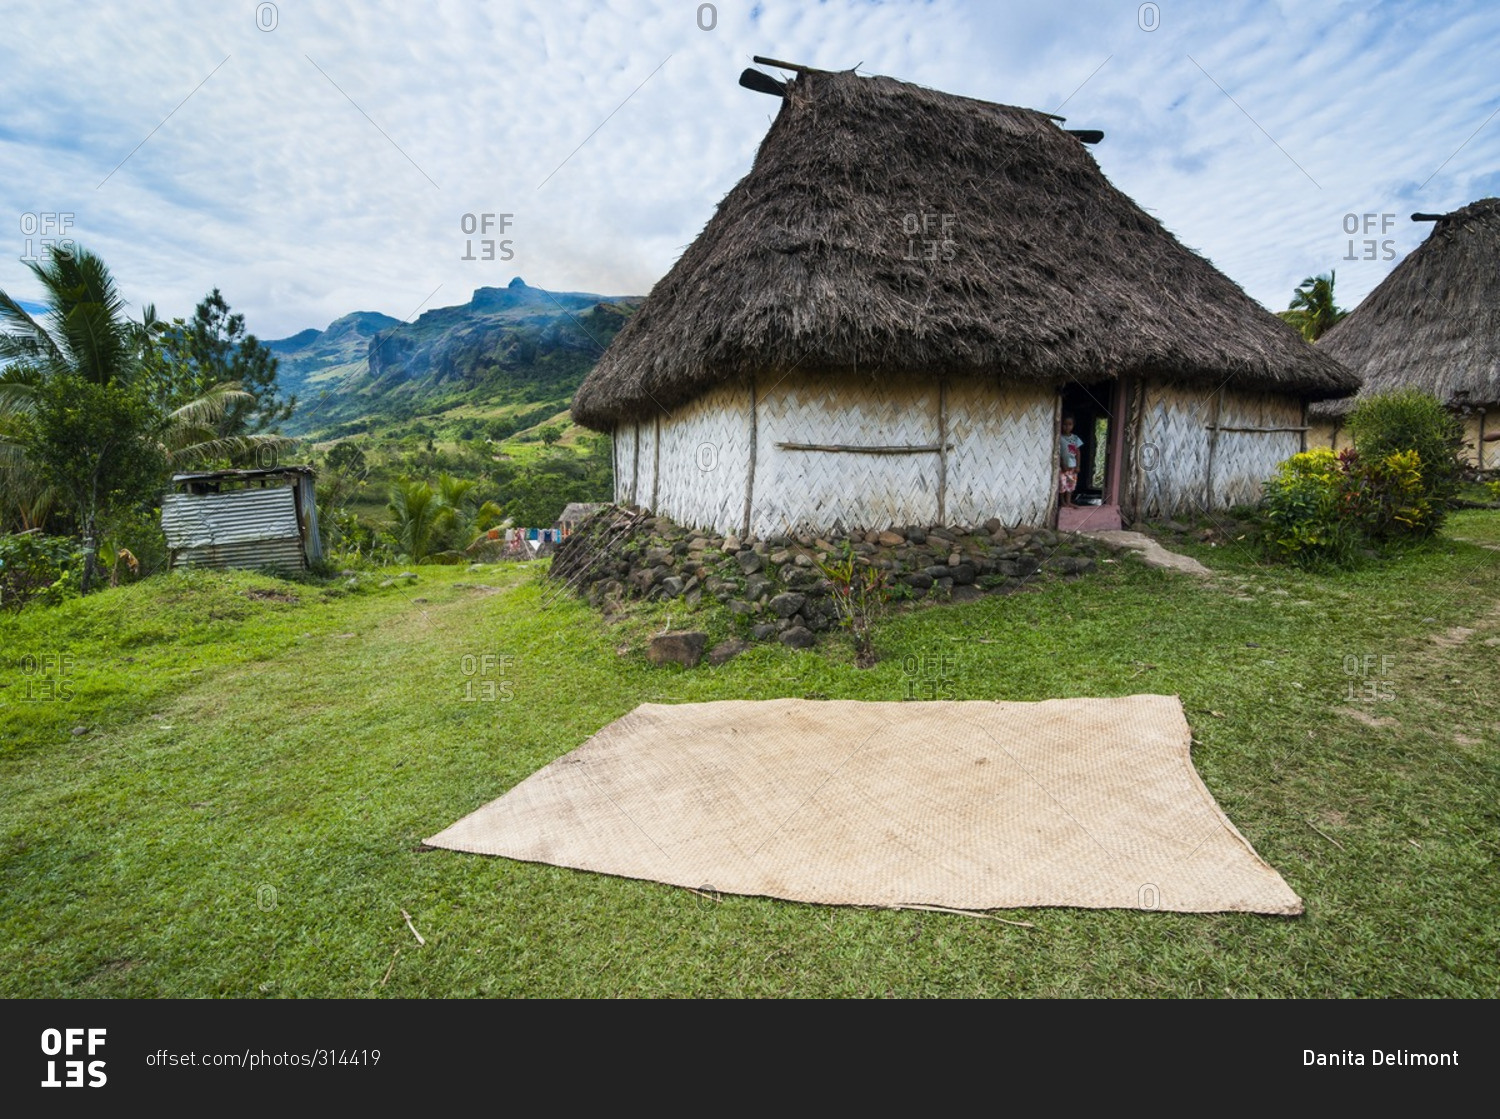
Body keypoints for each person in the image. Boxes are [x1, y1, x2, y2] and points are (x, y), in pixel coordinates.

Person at [1058, 414, 1084, 507]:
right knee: (1062, 484)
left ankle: (1068, 501)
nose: (1067, 427)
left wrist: (1078, 466)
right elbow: (1058, 453)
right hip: (1062, 467)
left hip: (1072, 466)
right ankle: (1062, 502)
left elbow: (1077, 452)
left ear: (1073, 425)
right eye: (1065, 424)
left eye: (1069, 424)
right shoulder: (1059, 438)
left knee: (1070, 484)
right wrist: (1062, 464)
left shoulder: (1075, 438)